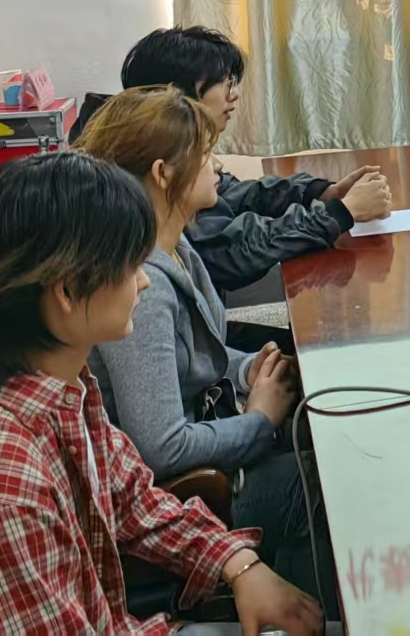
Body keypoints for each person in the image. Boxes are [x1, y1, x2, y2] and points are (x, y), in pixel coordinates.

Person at [0, 151, 321, 636]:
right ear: (66, 292)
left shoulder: (49, 379)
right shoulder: (0, 492)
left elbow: (128, 495)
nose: (144, 280)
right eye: (130, 265)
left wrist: (237, 563)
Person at [76, 87, 331, 598]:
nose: (217, 165)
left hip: (210, 446)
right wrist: (260, 422)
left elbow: (192, 355)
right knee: (331, 485)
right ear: (162, 173)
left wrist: (246, 369)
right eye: (206, 154)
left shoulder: (173, 243)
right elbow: (162, 448)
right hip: (186, 495)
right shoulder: (142, 286)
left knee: (323, 444)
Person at [118, 26, 391, 295]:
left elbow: (239, 194)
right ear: (179, 94)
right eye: (225, 84)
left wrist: (320, 192)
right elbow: (231, 252)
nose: (233, 95)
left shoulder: (158, 146)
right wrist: (340, 212)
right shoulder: (157, 166)